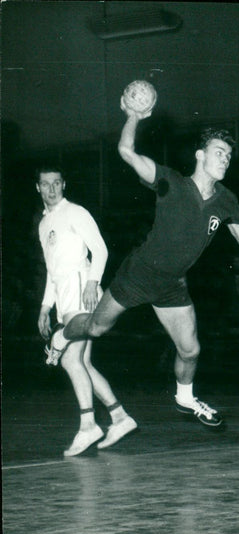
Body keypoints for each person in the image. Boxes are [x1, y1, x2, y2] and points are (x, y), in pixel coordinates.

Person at [46, 96, 239, 430]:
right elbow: (126, 152)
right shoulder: (170, 182)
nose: (225, 159)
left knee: (191, 350)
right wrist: (133, 116)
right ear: (200, 155)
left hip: (172, 284)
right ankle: (61, 336)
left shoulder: (226, 201)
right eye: (218, 152)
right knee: (95, 327)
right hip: (138, 275)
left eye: (228, 155)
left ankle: (185, 397)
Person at [35, 166, 137, 456]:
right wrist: (45, 305)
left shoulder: (76, 212)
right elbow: (52, 271)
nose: (52, 189)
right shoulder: (45, 225)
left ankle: (88, 425)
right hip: (63, 293)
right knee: (82, 364)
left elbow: (100, 250)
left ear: (64, 184)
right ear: (38, 188)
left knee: (69, 361)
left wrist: (93, 283)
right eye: (46, 184)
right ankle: (119, 417)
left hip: (81, 288)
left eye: (57, 183)